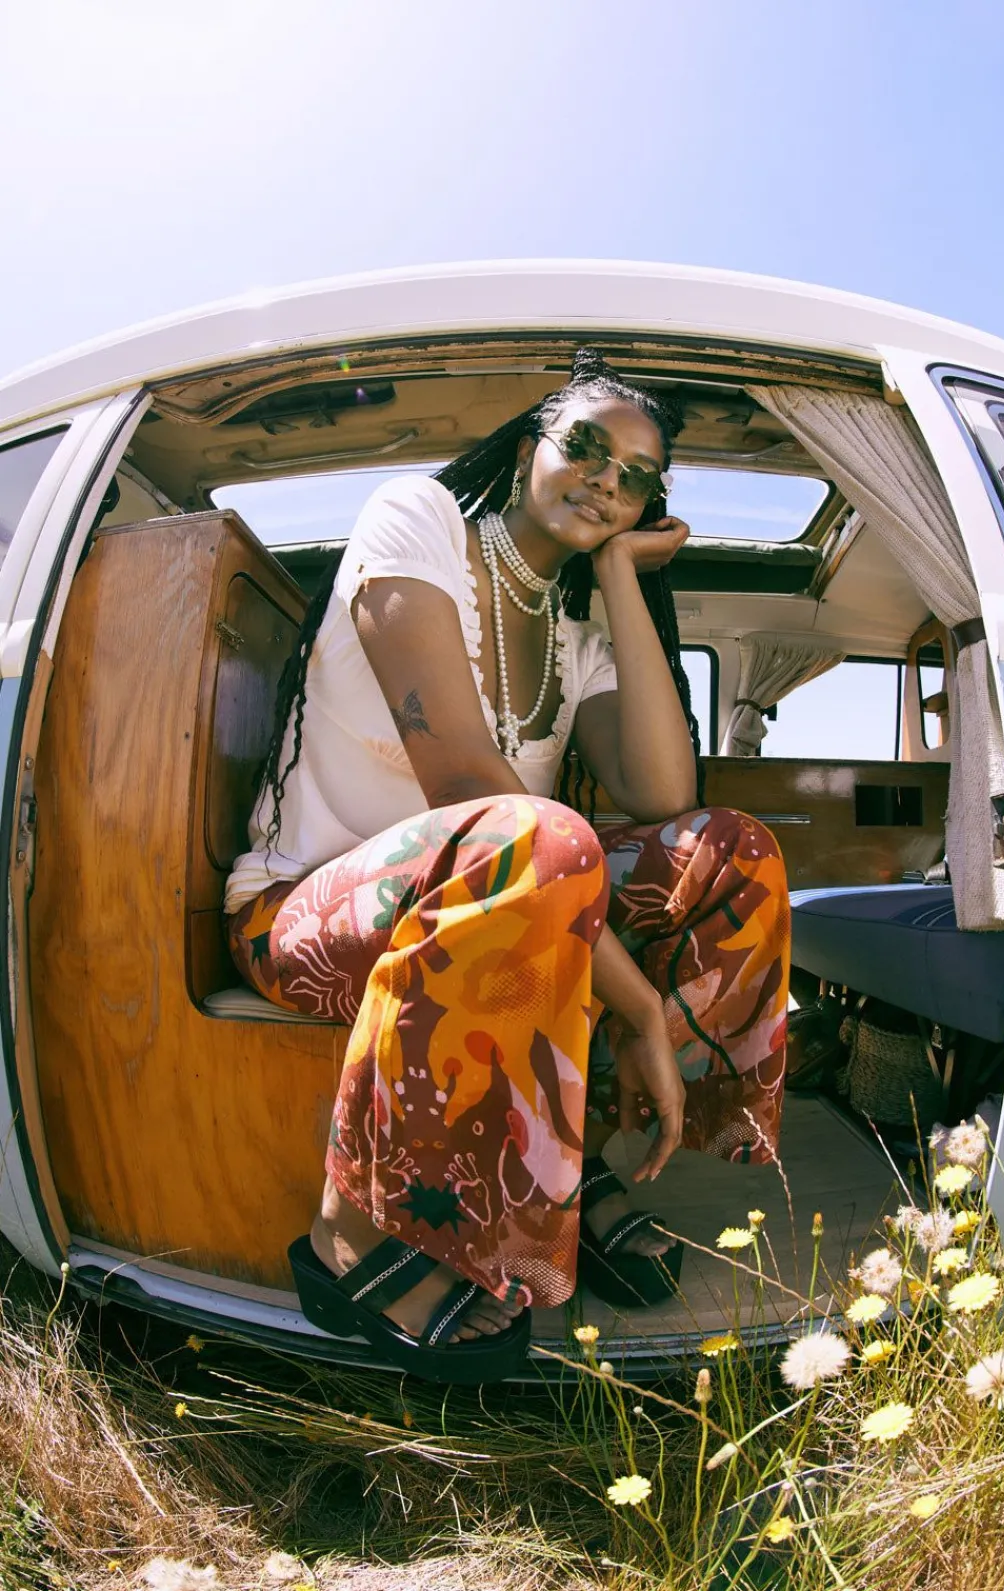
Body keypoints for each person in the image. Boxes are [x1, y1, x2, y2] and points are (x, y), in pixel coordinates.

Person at [224, 350, 790, 1383]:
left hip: (496, 901)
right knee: (537, 834)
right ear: (531, 444)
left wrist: (617, 575)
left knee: (731, 852)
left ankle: (575, 1163)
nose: (607, 481)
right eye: (586, 447)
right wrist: (635, 1007)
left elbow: (663, 792)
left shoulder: (576, 634)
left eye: (637, 478)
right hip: (303, 918)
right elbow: (460, 783)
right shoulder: (417, 520)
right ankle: (352, 1226)